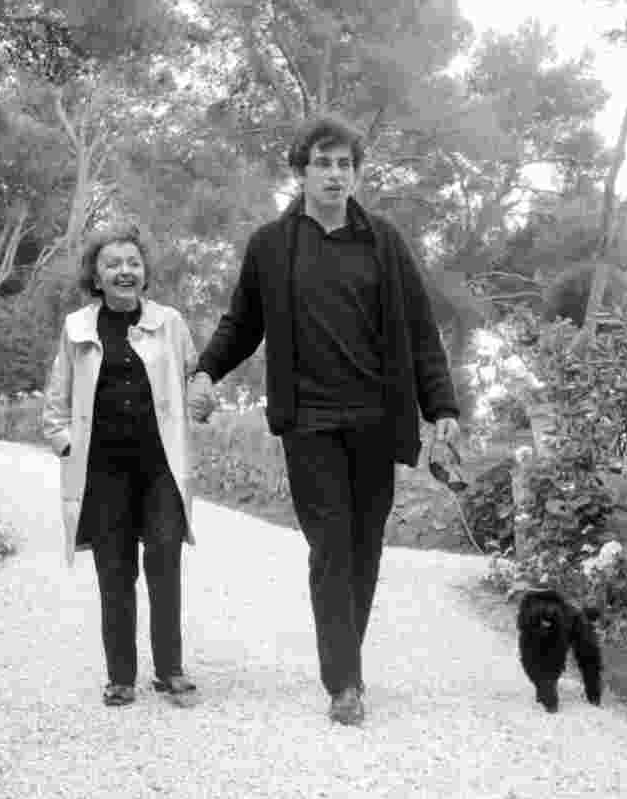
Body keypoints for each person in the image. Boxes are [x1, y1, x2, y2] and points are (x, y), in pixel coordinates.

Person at [186, 113, 461, 726]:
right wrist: (206, 371)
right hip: (308, 420)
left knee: (365, 549)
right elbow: (241, 324)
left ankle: (346, 662)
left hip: (377, 419)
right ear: (301, 170)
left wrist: (442, 408)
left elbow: (420, 333)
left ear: (356, 173)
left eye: (345, 164)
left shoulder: (384, 243)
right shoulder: (271, 245)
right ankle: (345, 681)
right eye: (323, 163)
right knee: (331, 547)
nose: (335, 174)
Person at [42, 223, 200, 708]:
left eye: (133, 262)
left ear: (145, 271)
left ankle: (170, 670)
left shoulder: (170, 323)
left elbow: (197, 378)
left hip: (160, 471)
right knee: (115, 572)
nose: (124, 271)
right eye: (112, 264)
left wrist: (202, 400)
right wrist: (70, 447)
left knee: (165, 563)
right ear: (96, 274)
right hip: (103, 474)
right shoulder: (77, 329)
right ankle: (120, 677)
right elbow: (55, 408)